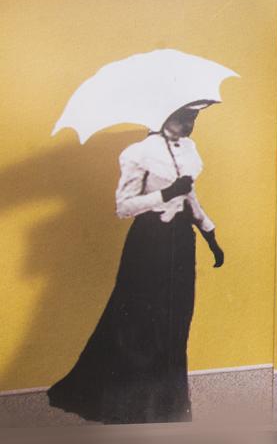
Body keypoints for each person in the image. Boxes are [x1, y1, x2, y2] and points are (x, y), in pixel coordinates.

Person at [48, 102, 224, 424]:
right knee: (141, 323)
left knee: (176, 322)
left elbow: (191, 198)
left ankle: (168, 407)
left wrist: (210, 234)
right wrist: (166, 192)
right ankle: (131, 409)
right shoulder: (139, 153)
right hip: (150, 242)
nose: (189, 124)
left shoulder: (188, 151)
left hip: (181, 244)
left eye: (194, 118)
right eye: (184, 116)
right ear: (164, 115)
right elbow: (124, 206)